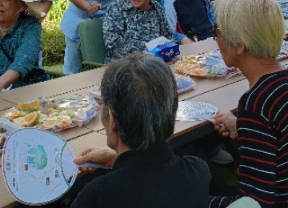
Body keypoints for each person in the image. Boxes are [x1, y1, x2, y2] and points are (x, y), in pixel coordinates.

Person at [209, 0, 288, 208]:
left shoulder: (257, 103)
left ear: (240, 43)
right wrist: (242, 127)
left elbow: (255, 203)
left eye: (217, 30)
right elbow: (287, 141)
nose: (215, 38)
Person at [69, 53, 210, 208]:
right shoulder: (198, 172)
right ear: (171, 110)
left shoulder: (97, 195)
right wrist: (116, 160)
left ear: (111, 119)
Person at [102, 0, 174, 62]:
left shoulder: (156, 8)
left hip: (155, 62)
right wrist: (148, 49)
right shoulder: (117, 8)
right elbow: (112, 44)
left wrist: (169, 48)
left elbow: (168, 35)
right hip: (124, 65)